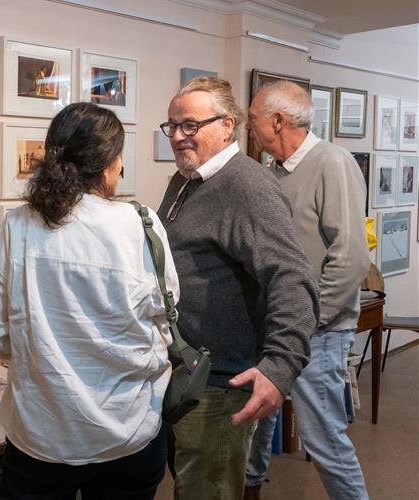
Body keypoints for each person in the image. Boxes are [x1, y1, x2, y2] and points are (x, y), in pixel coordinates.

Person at [0, 101, 177, 498]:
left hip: (43, 432)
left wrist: (42, 358)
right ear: (109, 164)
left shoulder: (19, 225)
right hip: (130, 429)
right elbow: (165, 322)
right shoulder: (143, 224)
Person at [157, 76, 319, 500]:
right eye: (172, 126)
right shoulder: (187, 179)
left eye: (190, 125)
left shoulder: (247, 186)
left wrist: (280, 367)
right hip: (186, 374)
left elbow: (291, 277)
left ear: (227, 126)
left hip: (222, 385)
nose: (178, 136)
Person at [244, 80, 370, 500]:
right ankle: (250, 489)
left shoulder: (331, 161)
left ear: (278, 120)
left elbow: (351, 257)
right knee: (257, 427)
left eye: (253, 120)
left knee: (325, 441)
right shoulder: (272, 172)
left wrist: (304, 324)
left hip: (317, 333)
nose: (250, 129)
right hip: (276, 327)